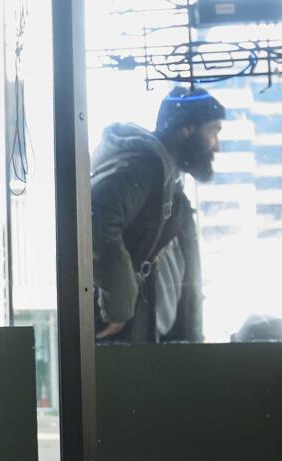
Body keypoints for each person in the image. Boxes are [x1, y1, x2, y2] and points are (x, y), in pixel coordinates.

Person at [91, 85, 225, 344]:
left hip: (149, 342)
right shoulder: (145, 167)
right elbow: (97, 217)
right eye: (213, 130)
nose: (217, 146)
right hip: (125, 344)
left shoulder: (168, 184)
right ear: (186, 129)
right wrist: (119, 307)